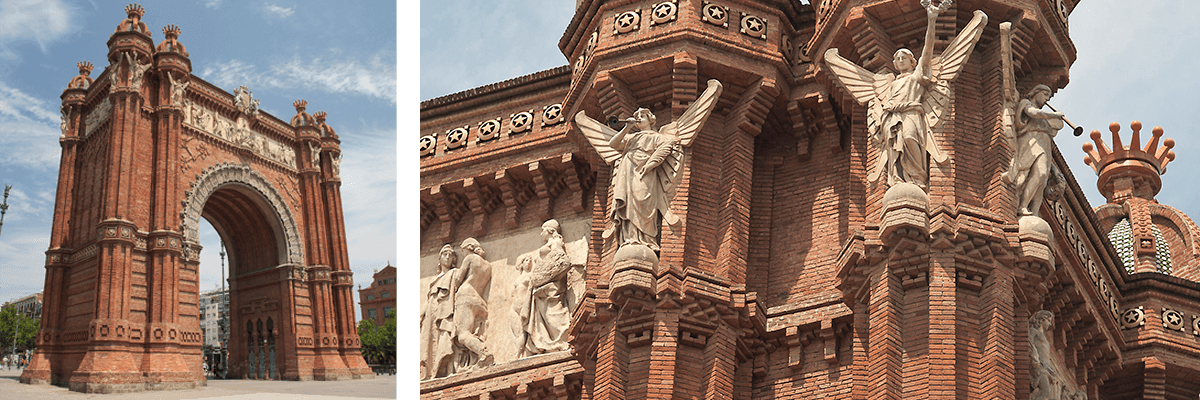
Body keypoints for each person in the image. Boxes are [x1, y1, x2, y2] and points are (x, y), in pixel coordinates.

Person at [824, 4, 987, 190]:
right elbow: (865, 83)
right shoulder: (888, 83)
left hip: (911, 113)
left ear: (912, 61)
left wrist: (932, 21)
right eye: (898, 59)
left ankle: (918, 177)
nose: (900, 61)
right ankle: (897, 179)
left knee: (910, 137)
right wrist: (835, 61)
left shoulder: (918, 77)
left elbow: (927, 50)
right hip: (890, 118)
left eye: (904, 58)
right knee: (893, 148)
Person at [575, 79, 723, 251]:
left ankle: (645, 239)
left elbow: (668, 146)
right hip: (627, 170)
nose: (638, 119)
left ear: (651, 119)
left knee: (643, 200)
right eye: (636, 117)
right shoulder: (631, 138)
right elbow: (613, 145)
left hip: (645, 171)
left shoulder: (657, 136)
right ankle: (630, 238)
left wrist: (651, 164)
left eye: (641, 117)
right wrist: (626, 128)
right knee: (628, 203)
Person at [512, 219, 574, 358]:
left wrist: (542, 277)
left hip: (550, 285)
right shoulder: (550, 243)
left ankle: (559, 341)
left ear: (550, 230)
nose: (541, 233)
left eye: (543, 230)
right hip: (542, 287)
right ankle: (546, 343)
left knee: (553, 313)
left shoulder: (556, 242)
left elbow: (560, 260)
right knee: (545, 315)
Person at [1004, 84, 1064, 216]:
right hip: (1031, 143)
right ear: (1036, 93)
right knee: (1036, 173)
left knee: (1042, 179)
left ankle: (1034, 211)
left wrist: (1054, 168)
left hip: (1044, 146)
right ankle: (1022, 206)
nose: (1047, 100)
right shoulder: (1026, 104)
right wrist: (1053, 115)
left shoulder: (1045, 121)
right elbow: (1033, 113)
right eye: (1045, 95)